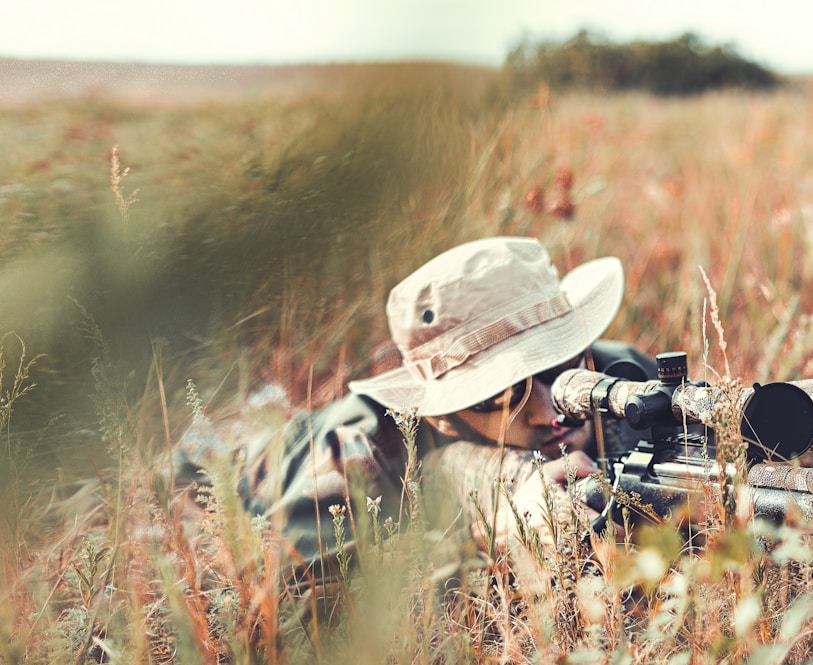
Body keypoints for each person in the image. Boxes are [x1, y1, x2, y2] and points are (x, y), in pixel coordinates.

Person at [187, 236, 654, 585]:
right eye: (500, 393)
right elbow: (272, 599)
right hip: (237, 461)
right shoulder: (357, 458)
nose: (549, 410)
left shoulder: (617, 374)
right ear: (441, 416)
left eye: (560, 365)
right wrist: (478, 538)